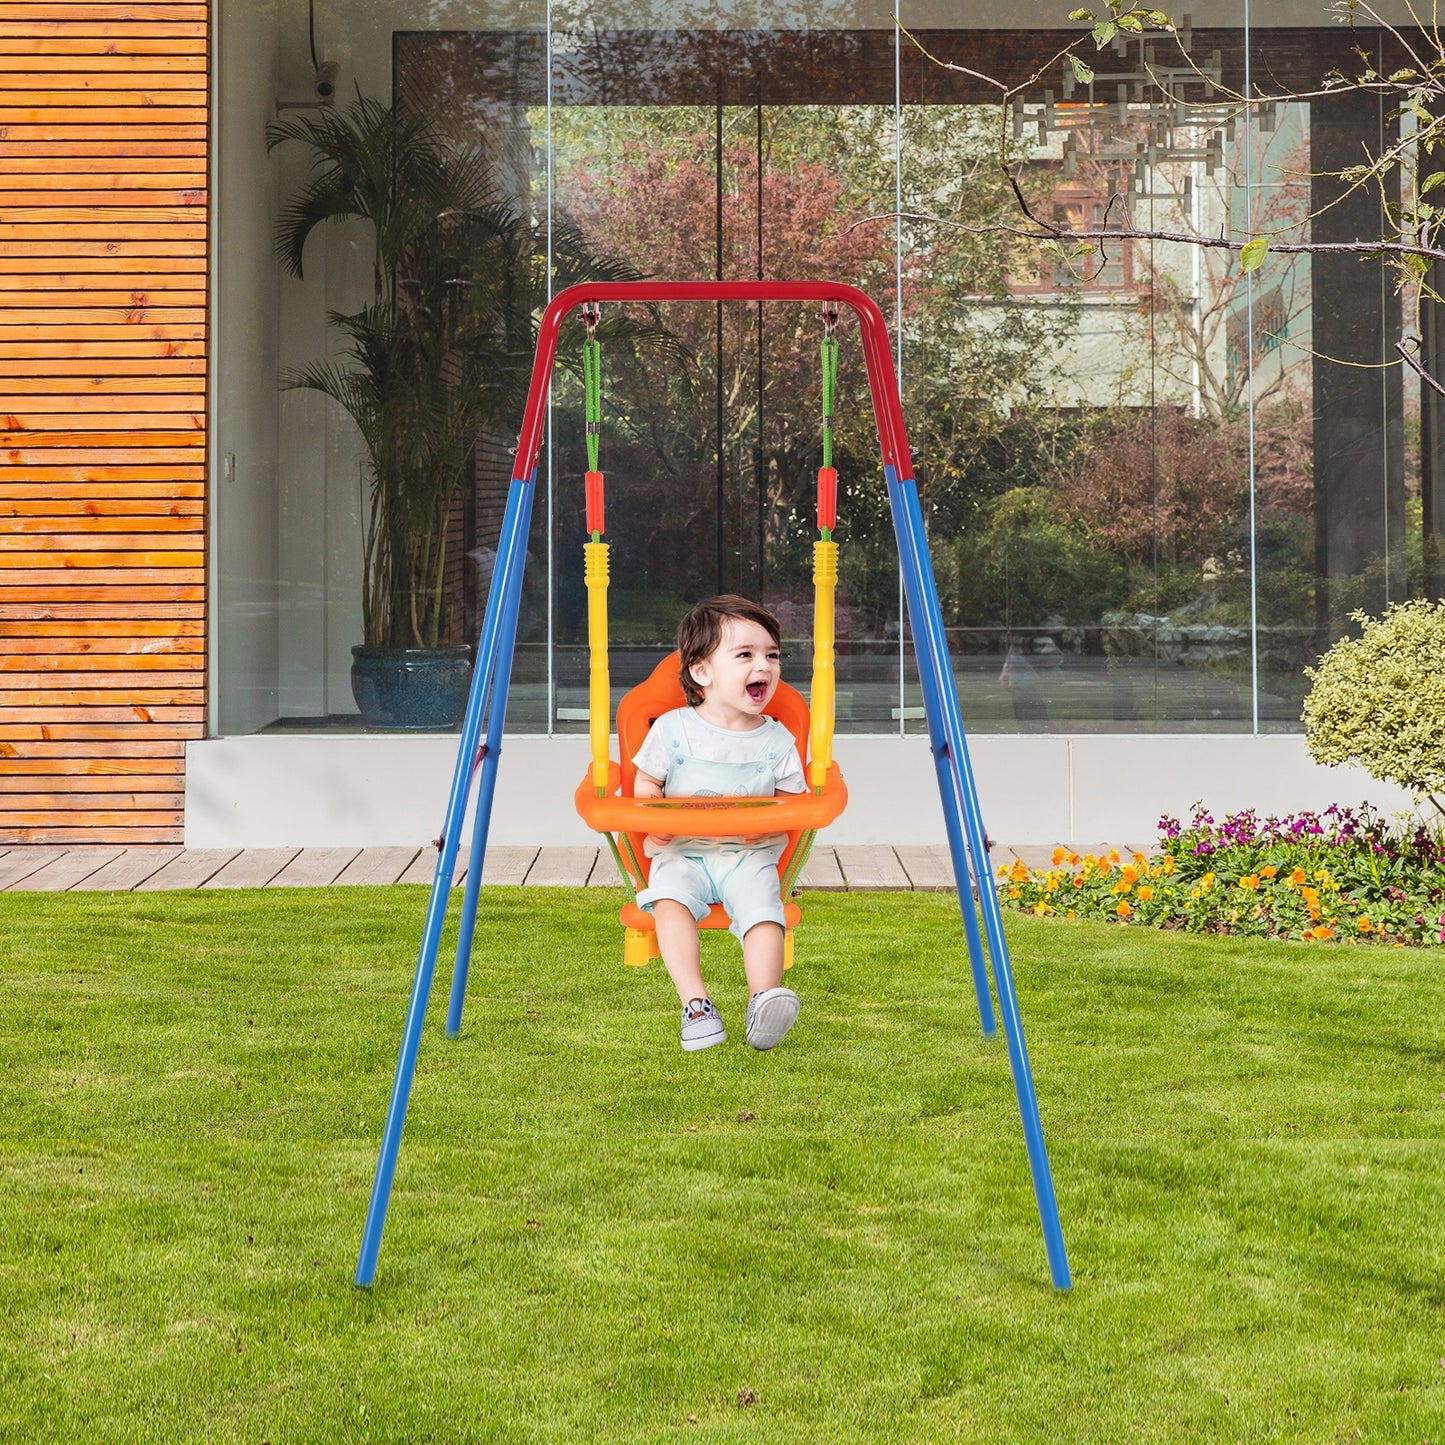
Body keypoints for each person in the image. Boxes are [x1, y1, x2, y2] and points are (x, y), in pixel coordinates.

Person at [633, 596, 806, 1053]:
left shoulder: (777, 740)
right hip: (681, 852)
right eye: (745, 655)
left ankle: (762, 999)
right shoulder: (673, 729)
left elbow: (793, 801)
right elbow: (647, 780)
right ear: (701, 672)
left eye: (772, 655)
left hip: (746, 855)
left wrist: (773, 826)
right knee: (668, 902)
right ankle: (696, 1005)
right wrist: (653, 817)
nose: (764, 666)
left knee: (765, 913)